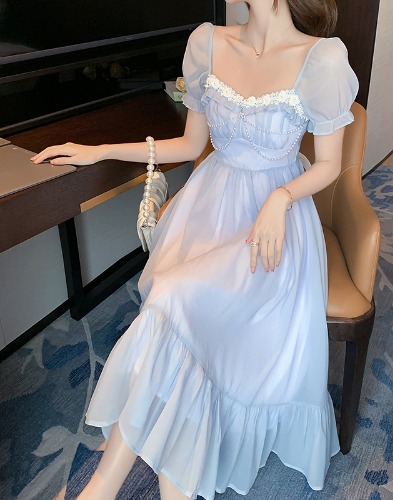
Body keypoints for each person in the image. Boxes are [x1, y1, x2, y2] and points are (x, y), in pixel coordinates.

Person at [32, 1, 359, 498]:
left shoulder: (322, 59)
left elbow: (330, 165)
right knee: (174, 316)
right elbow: (189, 145)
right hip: (209, 210)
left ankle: (99, 488)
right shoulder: (207, 43)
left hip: (272, 231)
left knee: (171, 300)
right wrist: (100, 151)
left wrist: (281, 197)